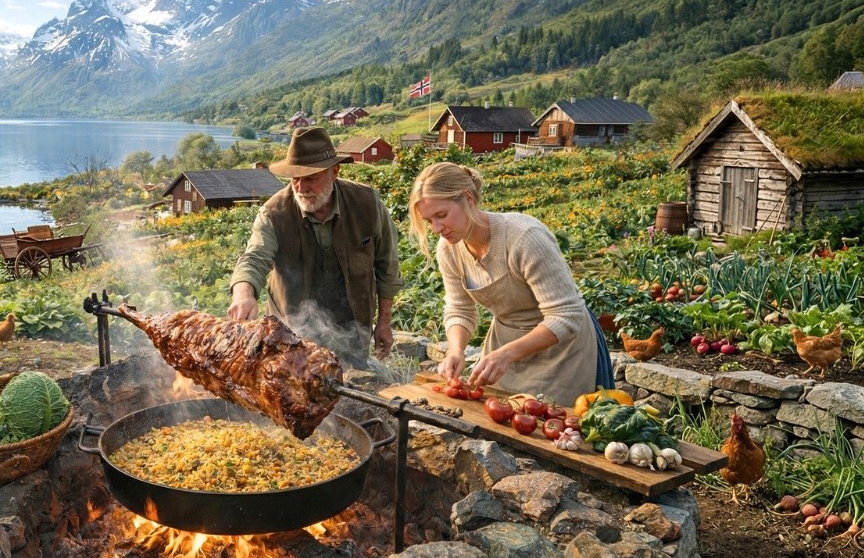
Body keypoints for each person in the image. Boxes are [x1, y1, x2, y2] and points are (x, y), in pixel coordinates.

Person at [407, 161, 613, 407]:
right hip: (504, 348)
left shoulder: (524, 237)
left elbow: (566, 315)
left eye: (441, 215)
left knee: (555, 432)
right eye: (429, 221)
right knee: (501, 425)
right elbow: (459, 309)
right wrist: (455, 350)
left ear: (468, 198)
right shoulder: (449, 249)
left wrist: (507, 354)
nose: (437, 229)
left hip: (563, 351)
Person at [228, 126, 403, 369]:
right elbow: (254, 257)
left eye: (310, 178)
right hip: (290, 336)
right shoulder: (274, 213)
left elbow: (388, 267)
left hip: (352, 329)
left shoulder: (367, 205)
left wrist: (384, 322)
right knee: (292, 394)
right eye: (295, 179)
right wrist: (243, 294)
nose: (301, 188)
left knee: (351, 396)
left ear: (334, 172)